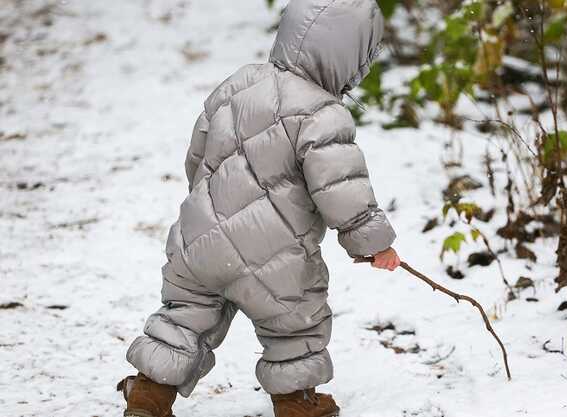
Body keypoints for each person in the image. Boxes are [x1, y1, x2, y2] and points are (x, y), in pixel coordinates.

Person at [117, 1, 399, 416]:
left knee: (183, 318)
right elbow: (341, 189)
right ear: (349, 57)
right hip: (277, 258)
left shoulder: (238, 84)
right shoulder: (323, 113)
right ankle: (297, 402)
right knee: (295, 327)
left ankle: (148, 394)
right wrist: (373, 243)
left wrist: (207, 207)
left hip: (200, 242)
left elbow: (197, 156)